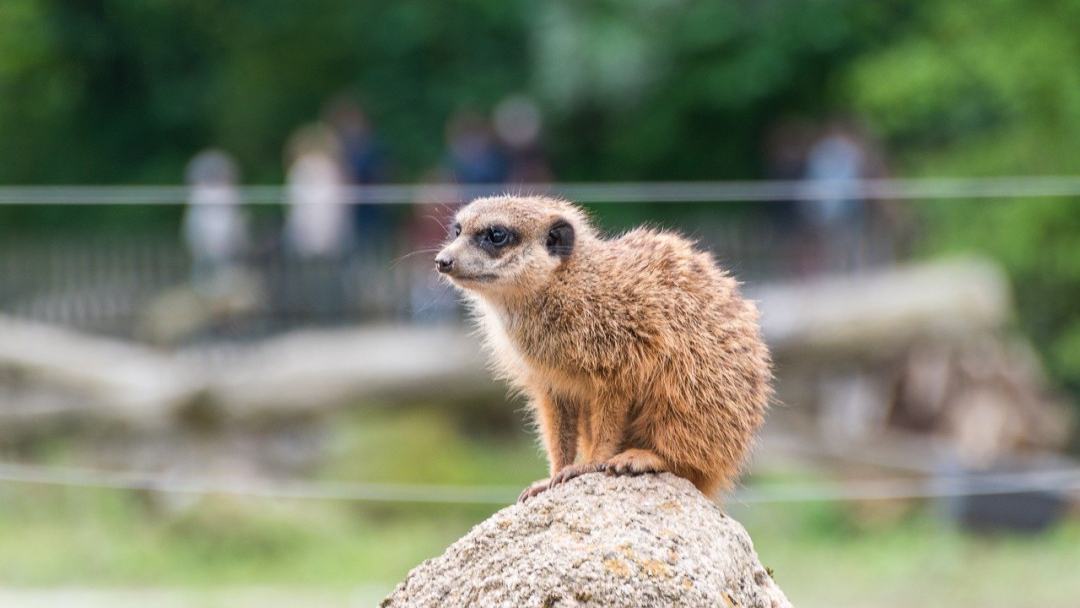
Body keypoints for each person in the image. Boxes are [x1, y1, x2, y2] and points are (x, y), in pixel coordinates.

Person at [182, 149, 248, 294]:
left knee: (228, 278)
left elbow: (236, 222)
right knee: (206, 279)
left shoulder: (230, 194)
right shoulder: (199, 195)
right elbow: (194, 225)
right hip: (206, 247)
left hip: (227, 248)